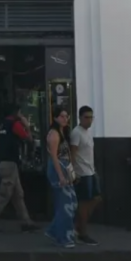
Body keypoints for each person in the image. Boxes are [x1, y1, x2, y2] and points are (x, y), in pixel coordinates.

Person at [0, 104, 39, 234]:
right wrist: (27, 126)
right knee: (4, 193)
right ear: (16, 113)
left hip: (2, 162)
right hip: (10, 163)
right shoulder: (15, 125)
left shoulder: (0, 126)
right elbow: (28, 138)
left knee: (18, 194)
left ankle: (26, 221)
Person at [45, 108, 77, 248]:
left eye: (66, 116)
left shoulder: (63, 133)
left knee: (71, 201)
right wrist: (61, 175)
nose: (65, 119)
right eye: (62, 116)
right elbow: (54, 156)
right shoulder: (54, 134)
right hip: (58, 167)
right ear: (56, 118)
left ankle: (55, 230)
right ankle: (64, 236)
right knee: (65, 204)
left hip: (65, 166)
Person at [70, 105, 101, 245]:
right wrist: (73, 173)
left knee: (96, 199)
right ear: (80, 118)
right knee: (83, 203)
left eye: (91, 117)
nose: (89, 120)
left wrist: (94, 170)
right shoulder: (76, 133)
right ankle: (83, 232)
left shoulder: (87, 132)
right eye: (86, 117)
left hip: (91, 171)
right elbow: (73, 153)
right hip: (82, 173)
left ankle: (78, 225)